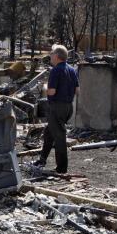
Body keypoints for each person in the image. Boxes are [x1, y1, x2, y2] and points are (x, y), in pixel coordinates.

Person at [40, 44, 79, 173]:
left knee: (59, 136)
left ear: (57, 56)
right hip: (68, 107)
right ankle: (42, 159)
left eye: (51, 54)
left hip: (57, 107)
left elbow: (51, 92)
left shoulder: (55, 70)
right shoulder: (72, 70)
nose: (50, 56)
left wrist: (44, 88)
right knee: (48, 132)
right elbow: (77, 90)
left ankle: (62, 168)